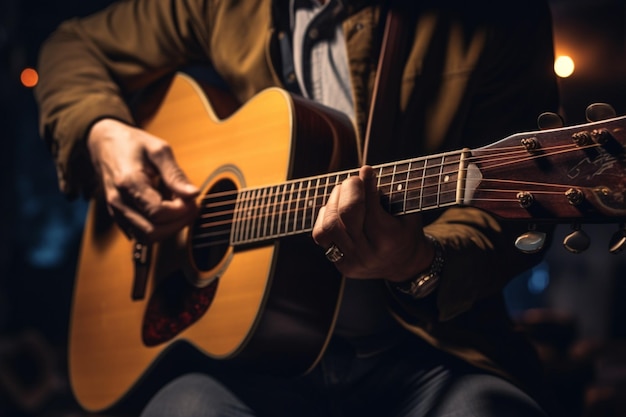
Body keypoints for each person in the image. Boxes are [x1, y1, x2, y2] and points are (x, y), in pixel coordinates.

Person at [35, 0, 562, 416]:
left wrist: (420, 262)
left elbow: (519, 207)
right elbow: (71, 45)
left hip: (431, 356)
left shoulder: (501, 14)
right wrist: (101, 132)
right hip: (245, 370)